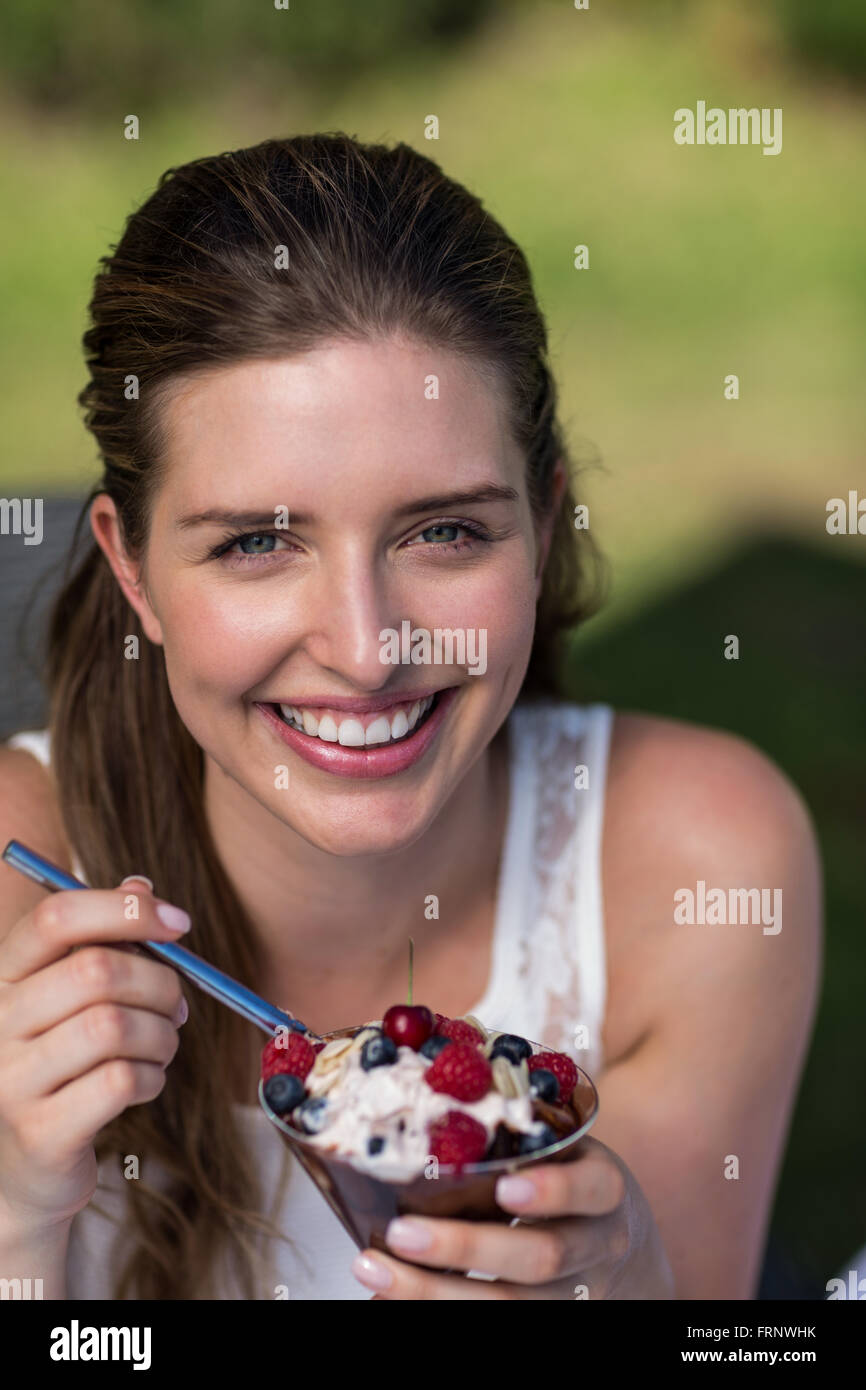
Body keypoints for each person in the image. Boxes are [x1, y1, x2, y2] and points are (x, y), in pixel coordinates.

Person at [0, 133, 822, 1301]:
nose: (368, 647)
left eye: (442, 532)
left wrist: (632, 1284)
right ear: (132, 571)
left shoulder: (700, 862)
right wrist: (14, 1221)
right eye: (256, 542)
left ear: (540, 528)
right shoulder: (14, 891)